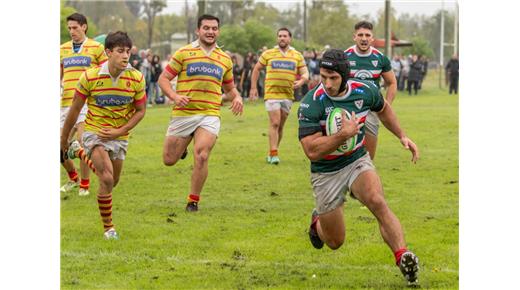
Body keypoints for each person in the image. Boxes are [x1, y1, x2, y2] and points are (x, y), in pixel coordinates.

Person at [298, 49, 420, 285]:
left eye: (333, 77)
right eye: (323, 76)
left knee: (377, 201)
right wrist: (342, 135)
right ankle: (317, 224)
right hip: (326, 173)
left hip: (356, 160)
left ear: (345, 75)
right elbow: (312, 151)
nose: (327, 83)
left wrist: (402, 136)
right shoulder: (311, 103)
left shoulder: (364, 91)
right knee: (335, 242)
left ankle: (402, 256)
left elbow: (383, 109)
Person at [60, 31, 147, 239]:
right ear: (108, 52)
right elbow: (75, 109)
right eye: (120, 51)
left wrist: (119, 131)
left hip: (119, 136)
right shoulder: (90, 77)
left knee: (112, 181)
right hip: (94, 133)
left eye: (127, 51)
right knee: (106, 178)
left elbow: (141, 110)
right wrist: (63, 139)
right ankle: (109, 228)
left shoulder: (136, 78)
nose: (125, 56)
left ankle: (79, 153)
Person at [158, 14, 243, 212]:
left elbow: (230, 89)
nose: (210, 32)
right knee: (169, 160)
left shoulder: (225, 58)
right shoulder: (184, 52)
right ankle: (186, 141)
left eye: (214, 28)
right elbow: (163, 79)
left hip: (209, 113)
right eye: (206, 28)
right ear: (198, 30)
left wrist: (237, 98)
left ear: (218, 31)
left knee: (202, 155)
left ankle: (193, 201)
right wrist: (174, 96)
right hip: (184, 113)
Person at [60, 13, 108, 196]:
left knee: (82, 142)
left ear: (84, 27)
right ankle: (74, 178)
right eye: (69, 28)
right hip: (65, 104)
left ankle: (85, 186)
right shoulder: (62, 49)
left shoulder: (96, 48)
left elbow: (105, 73)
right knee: (60, 146)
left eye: (75, 28)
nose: (72, 31)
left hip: (87, 103)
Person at [249, 27, 309, 164]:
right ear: (277, 38)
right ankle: (274, 154)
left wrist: (302, 80)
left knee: (280, 126)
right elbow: (256, 69)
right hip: (271, 93)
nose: (282, 38)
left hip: (288, 95)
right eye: (280, 36)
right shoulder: (268, 53)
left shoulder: (297, 55)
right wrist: (253, 87)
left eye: (285, 36)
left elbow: (305, 72)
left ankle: (273, 151)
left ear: (290, 38)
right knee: (275, 122)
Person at [344, 21, 397, 161]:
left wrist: (386, 106)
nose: (364, 38)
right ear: (354, 37)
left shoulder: (380, 58)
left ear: (372, 38)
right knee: (345, 153)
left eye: (367, 35)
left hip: (371, 111)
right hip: (348, 110)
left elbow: (392, 83)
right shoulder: (345, 57)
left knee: (368, 157)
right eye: (360, 35)